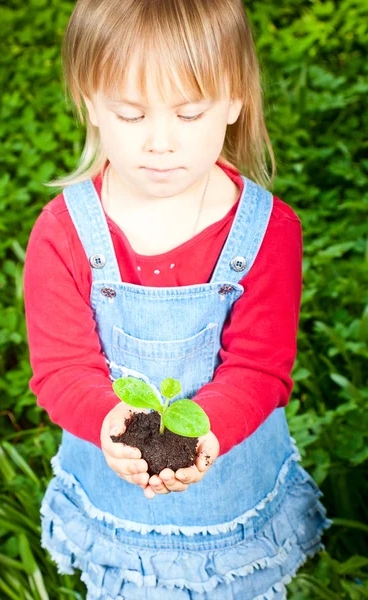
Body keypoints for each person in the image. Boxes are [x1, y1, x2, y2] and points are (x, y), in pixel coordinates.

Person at [23, 0, 333, 598]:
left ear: (235, 100)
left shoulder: (267, 232)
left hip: (229, 480)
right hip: (118, 486)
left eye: (190, 113)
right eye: (131, 114)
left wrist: (207, 431)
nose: (161, 143)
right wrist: (111, 421)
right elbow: (61, 370)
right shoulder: (64, 233)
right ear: (90, 102)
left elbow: (259, 367)